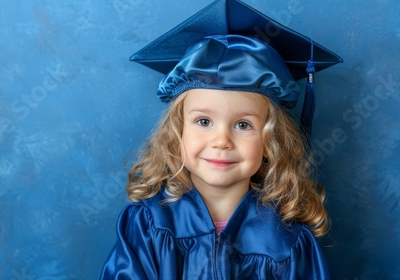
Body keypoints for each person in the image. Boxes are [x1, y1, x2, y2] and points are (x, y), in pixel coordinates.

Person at [101, 0, 342, 279]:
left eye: (243, 124)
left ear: (271, 140)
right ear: (176, 133)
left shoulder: (287, 241)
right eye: (204, 121)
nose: (221, 140)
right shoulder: (148, 223)